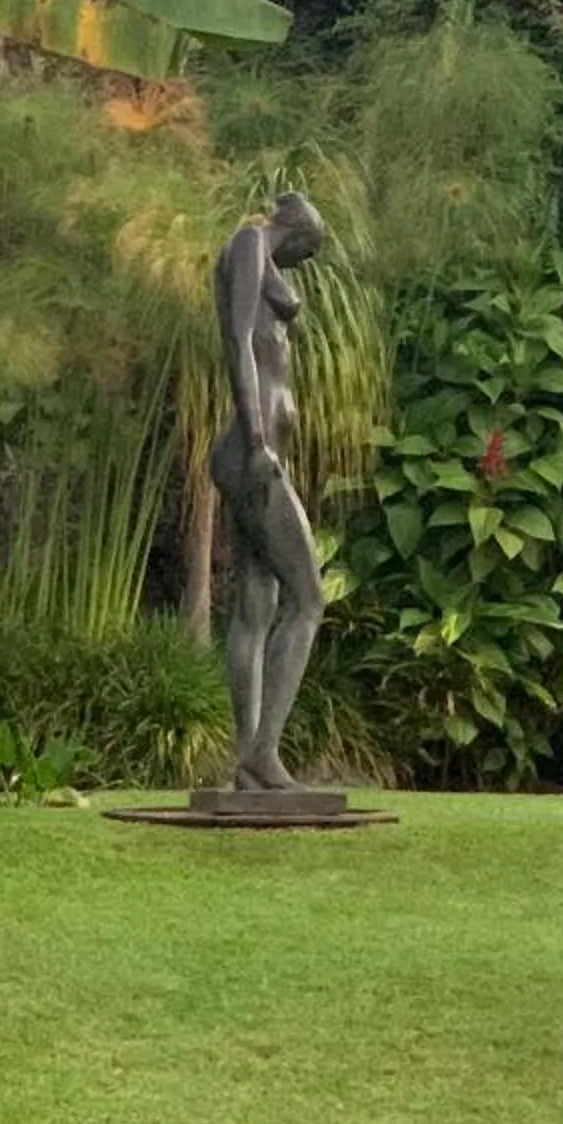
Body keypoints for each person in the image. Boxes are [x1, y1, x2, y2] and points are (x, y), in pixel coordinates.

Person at [207, 193, 327, 791]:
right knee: (308, 599)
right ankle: (264, 751)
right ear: (300, 229)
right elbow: (236, 340)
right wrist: (258, 438)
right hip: (253, 452)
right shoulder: (252, 242)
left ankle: (250, 765)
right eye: (310, 248)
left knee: (256, 605)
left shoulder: (259, 254)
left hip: (254, 452)